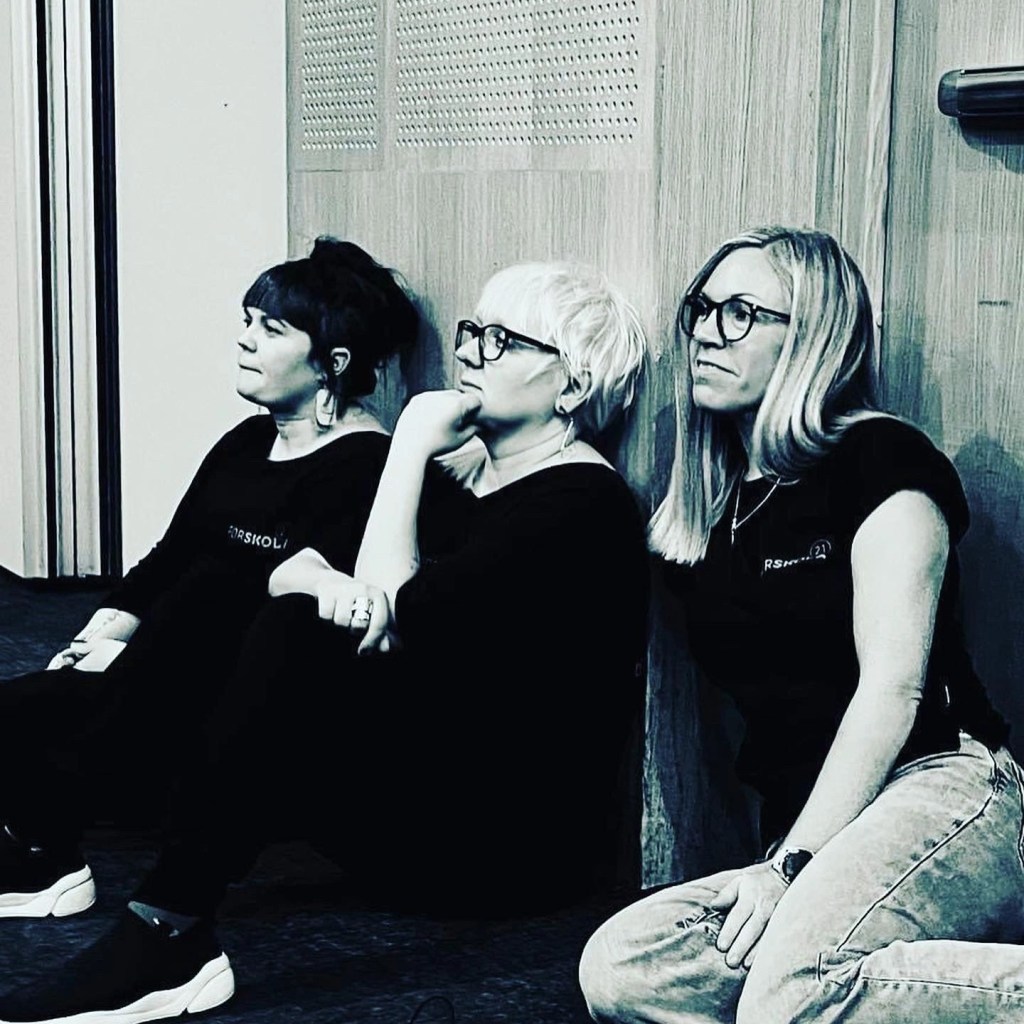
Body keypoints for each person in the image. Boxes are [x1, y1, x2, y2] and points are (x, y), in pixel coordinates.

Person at [0, 260, 651, 1024]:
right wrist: (322, 579)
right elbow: (303, 573)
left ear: (571, 386)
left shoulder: (581, 505)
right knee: (226, 594)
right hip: (418, 787)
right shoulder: (473, 477)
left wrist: (406, 449)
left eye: (502, 341)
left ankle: (164, 929)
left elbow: (391, 608)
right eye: (473, 331)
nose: (470, 352)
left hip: (499, 847)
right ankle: (70, 849)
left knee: (293, 632)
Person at [579, 226, 1022, 1024]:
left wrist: (790, 866)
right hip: (817, 833)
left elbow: (893, 691)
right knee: (622, 969)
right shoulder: (709, 511)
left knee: (788, 996)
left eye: (742, 313)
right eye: (702, 308)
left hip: (942, 785)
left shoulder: (881, 458)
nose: (707, 333)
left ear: (815, 334)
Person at [0, 237, 416, 916]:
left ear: (332, 363)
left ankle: (48, 856)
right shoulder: (245, 442)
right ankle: (43, 839)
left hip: (218, 715)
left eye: (272, 329)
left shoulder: (365, 465)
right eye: (247, 321)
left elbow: (277, 620)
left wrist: (131, 656)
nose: (245, 340)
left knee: (208, 596)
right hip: (145, 677)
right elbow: (167, 558)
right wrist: (95, 637)